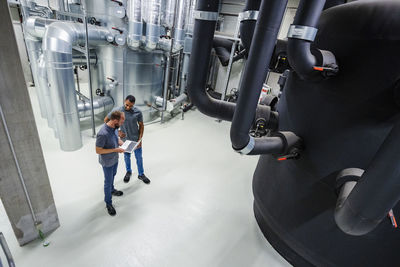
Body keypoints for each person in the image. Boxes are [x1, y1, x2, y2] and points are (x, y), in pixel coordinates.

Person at [104, 95, 150, 184]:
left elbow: (141, 125)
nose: (128, 107)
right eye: (127, 105)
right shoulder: (117, 111)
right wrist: (117, 131)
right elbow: (106, 120)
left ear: (133, 104)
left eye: (130, 106)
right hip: (125, 140)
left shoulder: (138, 112)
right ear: (125, 101)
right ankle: (128, 172)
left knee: (139, 158)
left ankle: (141, 174)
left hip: (136, 140)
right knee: (127, 157)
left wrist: (140, 139)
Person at [96, 110, 125, 216]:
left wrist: (119, 141)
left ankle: (112, 190)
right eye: (121, 122)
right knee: (107, 182)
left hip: (115, 158)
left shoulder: (115, 128)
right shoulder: (102, 133)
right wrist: (115, 150)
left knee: (113, 175)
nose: (122, 124)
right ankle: (108, 203)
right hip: (107, 161)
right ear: (115, 121)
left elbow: (116, 136)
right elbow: (98, 150)